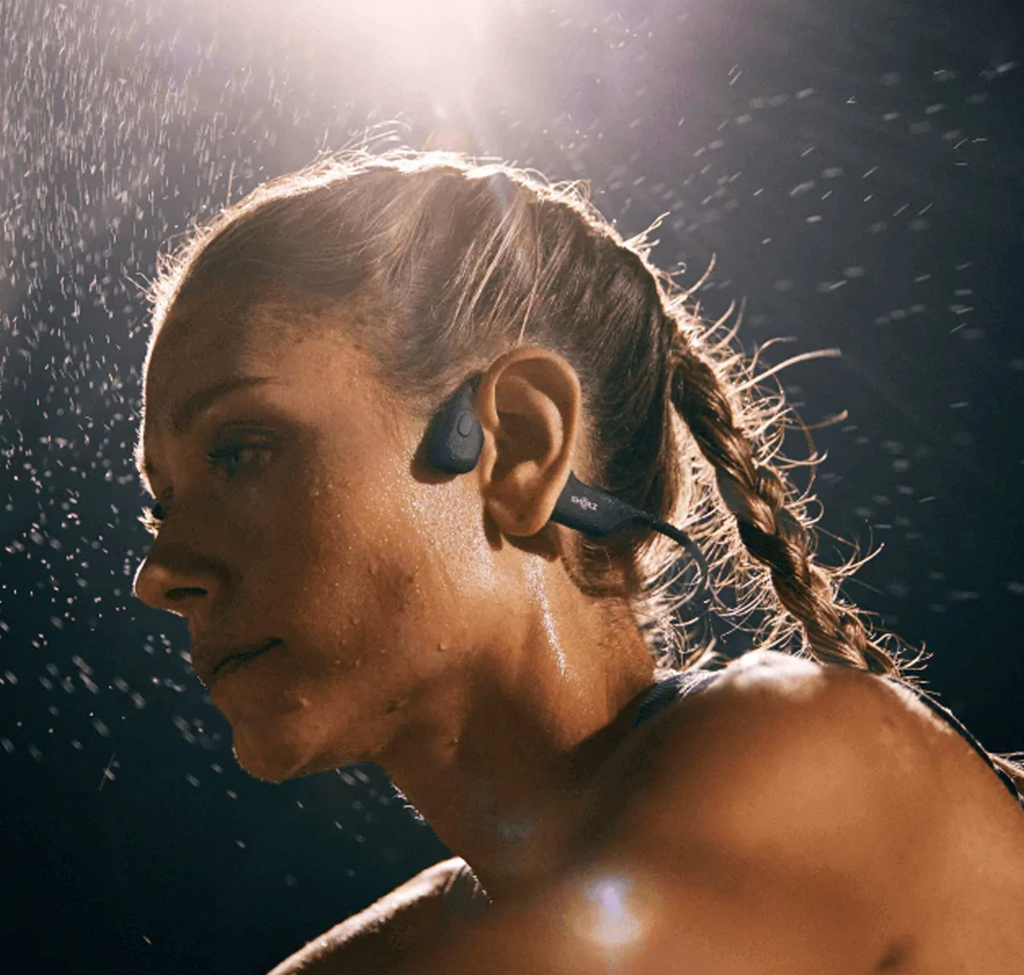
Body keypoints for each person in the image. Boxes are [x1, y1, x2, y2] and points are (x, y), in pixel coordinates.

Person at [132, 148, 1024, 975]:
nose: (160, 572)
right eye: (162, 502)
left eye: (240, 451)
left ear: (518, 444)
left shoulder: (818, 756)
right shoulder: (412, 943)